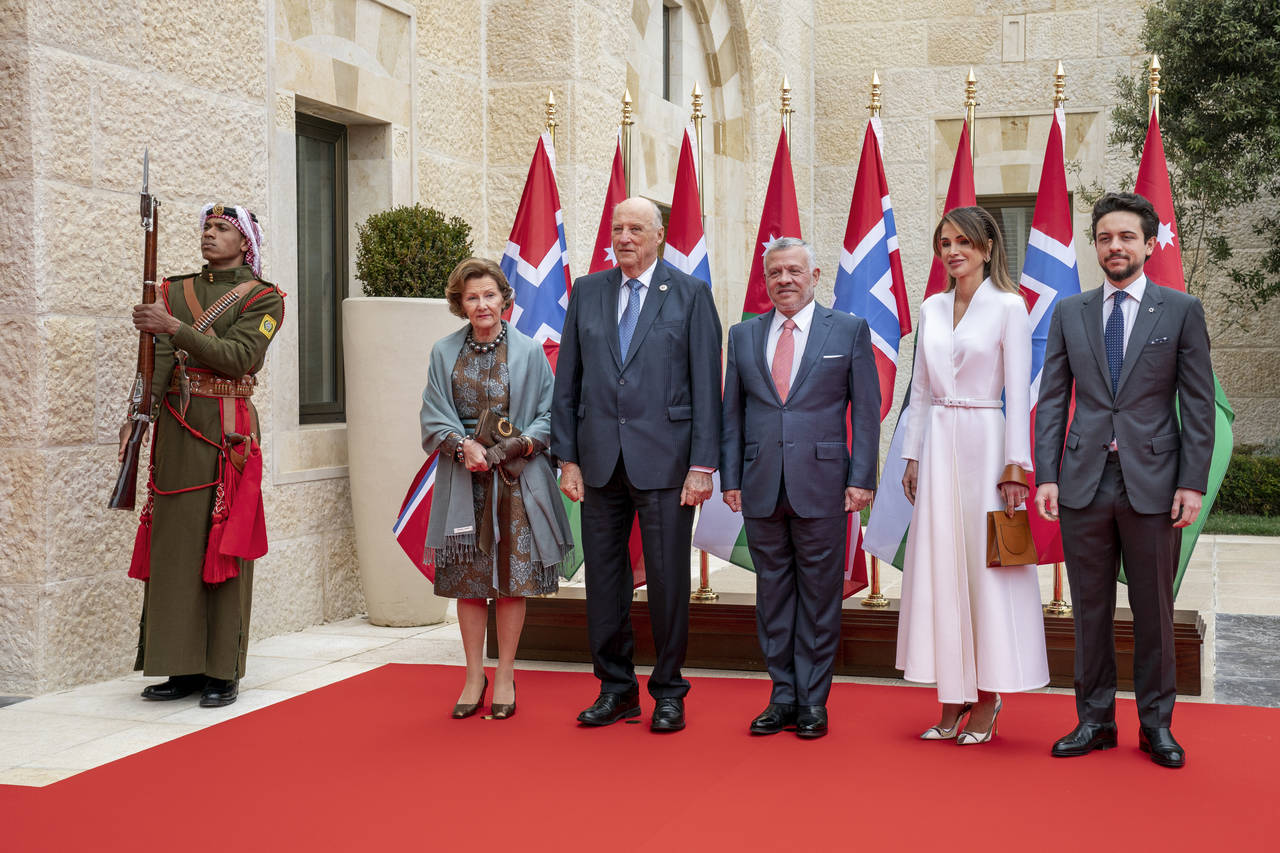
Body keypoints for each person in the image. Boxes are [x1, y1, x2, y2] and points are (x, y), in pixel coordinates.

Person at [1035, 192, 1214, 768]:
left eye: (1127, 237)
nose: (1115, 246)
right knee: (1089, 611)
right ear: (1095, 245)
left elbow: (1199, 403)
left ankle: (1157, 725)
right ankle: (1095, 721)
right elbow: (1054, 398)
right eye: (1105, 237)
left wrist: (1191, 481)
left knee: (1154, 612)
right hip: (1084, 481)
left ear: (1148, 243)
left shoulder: (1181, 310)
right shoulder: (1070, 312)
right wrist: (1046, 474)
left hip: (1156, 482)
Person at [552, 197, 722, 732]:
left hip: (668, 465)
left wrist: (703, 466)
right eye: (617, 228)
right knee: (604, 580)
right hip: (599, 463)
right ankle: (616, 688)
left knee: (669, 581)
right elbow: (568, 383)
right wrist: (568, 458)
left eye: (635, 229)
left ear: (659, 236)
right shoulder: (588, 291)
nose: (624, 237)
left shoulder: (690, 294)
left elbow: (706, 388)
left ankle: (669, 691)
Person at [894, 206, 1050, 744]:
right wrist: (911, 456)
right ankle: (951, 695)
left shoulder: (1010, 307)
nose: (953, 251)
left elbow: (1021, 390)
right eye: (944, 243)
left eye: (963, 242)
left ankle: (987, 697)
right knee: (941, 566)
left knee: (986, 570)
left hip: (987, 443)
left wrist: (1016, 467)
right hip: (937, 442)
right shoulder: (931, 307)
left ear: (987, 248)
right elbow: (917, 390)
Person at [125, 203, 284, 708]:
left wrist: (172, 327)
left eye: (221, 229)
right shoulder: (173, 289)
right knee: (175, 546)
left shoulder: (264, 299)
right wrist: (141, 413)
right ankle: (182, 665)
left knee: (225, 548)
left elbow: (240, 357)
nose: (209, 235)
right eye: (206, 228)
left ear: (245, 243)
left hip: (228, 427)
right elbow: (162, 363)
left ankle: (222, 670)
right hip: (177, 424)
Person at [720, 238, 879, 739]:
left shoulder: (848, 330)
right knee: (772, 595)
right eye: (774, 273)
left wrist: (861, 478)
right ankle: (781, 695)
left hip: (825, 486)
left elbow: (868, 413)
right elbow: (733, 415)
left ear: (814, 276)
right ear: (765, 281)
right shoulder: (743, 335)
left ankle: (813, 700)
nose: (783, 280)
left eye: (793, 271)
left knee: (818, 596)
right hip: (761, 484)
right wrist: (731, 479)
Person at [419, 257, 574, 720]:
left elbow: (549, 415)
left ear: (505, 299)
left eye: (489, 295)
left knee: (511, 583)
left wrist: (513, 447)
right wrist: (462, 444)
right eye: (472, 297)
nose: (482, 304)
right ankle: (473, 674)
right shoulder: (443, 351)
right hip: (464, 478)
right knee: (468, 584)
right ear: (460, 304)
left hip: (516, 480)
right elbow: (432, 413)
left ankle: (504, 672)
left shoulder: (529, 351)